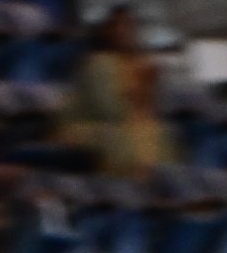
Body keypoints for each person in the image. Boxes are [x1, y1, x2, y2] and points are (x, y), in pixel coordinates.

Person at [62, 10, 170, 179]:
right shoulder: (98, 64)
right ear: (107, 31)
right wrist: (141, 88)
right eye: (121, 27)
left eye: (131, 27)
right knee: (124, 138)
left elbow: (149, 110)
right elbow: (109, 111)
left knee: (158, 133)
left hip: (130, 126)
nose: (127, 32)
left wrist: (149, 88)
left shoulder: (139, 63)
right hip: (87, 126)